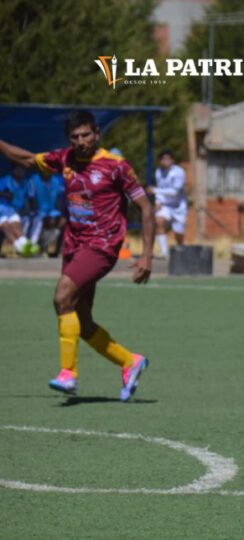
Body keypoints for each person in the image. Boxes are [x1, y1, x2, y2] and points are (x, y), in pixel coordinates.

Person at [0, 109, 154, 401]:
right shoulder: (65, 159)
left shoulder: (115, 166)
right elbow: (26, 159)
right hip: (74, 245)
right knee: (82, 321)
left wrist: (147, 256)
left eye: (86, 134)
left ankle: (68, 375)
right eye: (75, 137)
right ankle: (129, 361)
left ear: (96, 133)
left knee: (62, 297)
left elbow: (146, 208)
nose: (81, 141)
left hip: (102, 246)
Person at [148, 149, 187, 258]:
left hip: (179, 206)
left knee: (178, 232)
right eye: (163, 159)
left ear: (172, 160)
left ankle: (180, 248)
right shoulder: (158, 172)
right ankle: (164, 252)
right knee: (159, 221)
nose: (166, 161)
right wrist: (158, 201)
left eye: (168, 158)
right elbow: (161, 188)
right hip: (166, 206)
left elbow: (175, 192)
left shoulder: (178, 172)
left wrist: (155, 190)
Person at [0, 165, 35, 256]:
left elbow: (30, 199)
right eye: (19, 169)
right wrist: (4, 194)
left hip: (11, 210)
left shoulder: (26, 182)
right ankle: (20, 248)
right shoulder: (5, 180)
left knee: (16, 227)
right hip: (1, 210)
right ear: (13, 170)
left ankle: (26, 246)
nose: (21, 171)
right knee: (6, 225)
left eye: (22, 169)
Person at [32, 172, 67, 257]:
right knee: (45, 221)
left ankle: (48, 248)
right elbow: (31, 198)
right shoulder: (34, 179)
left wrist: (61, 214)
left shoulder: (56, 180)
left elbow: (59, 199)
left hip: (52, 211)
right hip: (38, 212)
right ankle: (36, 247)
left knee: (61, 222)